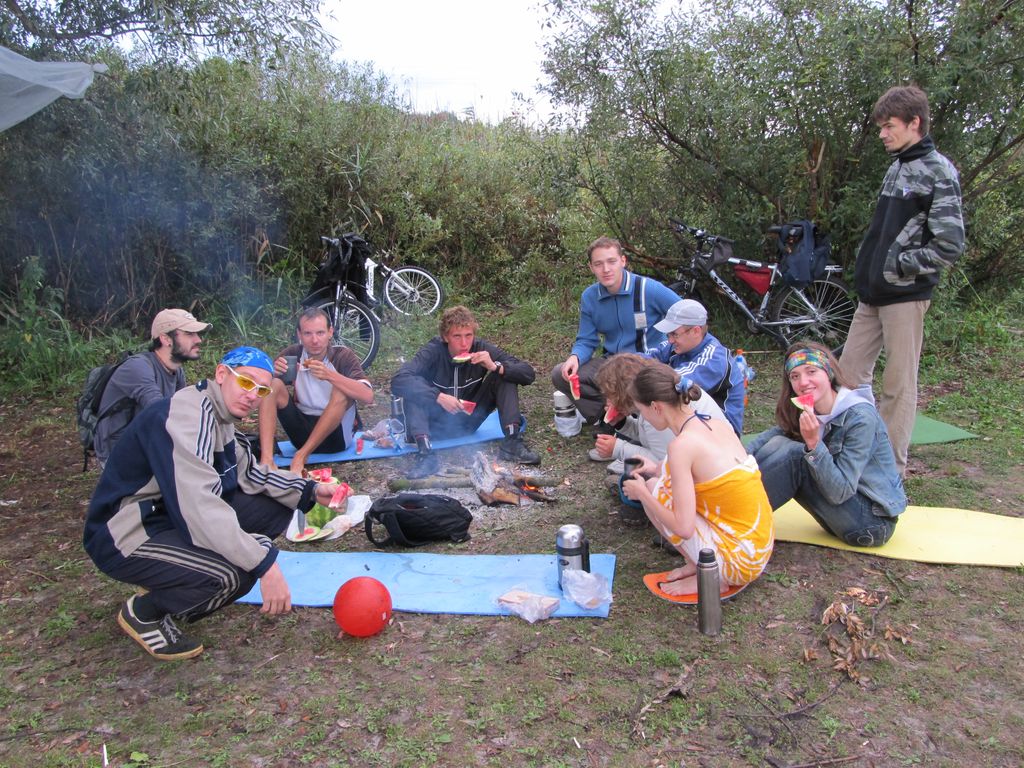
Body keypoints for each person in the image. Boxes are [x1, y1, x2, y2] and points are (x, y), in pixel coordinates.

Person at [84, 347, 338, 661]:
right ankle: (144, 612)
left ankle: (177, 576)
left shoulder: (220, 414)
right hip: (127, 532)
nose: (252, 396)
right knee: (234, 575)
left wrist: (310, 490)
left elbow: (249, 474)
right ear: (221, 374)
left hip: (169, 516)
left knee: (275, 508)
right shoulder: (189, 417)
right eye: (246, 382)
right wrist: (263, 563)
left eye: (261, 390)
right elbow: (199, 509)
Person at [839, 85, 965, 477]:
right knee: (845, 377)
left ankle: (889, 472)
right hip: (872, 295)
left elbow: (950, 244)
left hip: (905, 297)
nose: (882, 134)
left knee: (898, 386)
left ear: (915, 123)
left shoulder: (939, 171)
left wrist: (899, 266)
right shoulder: (897, 166)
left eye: (889, 126)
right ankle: (852, 453)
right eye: (880, 127)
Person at [621, 363, 773, 596]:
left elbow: (683, 527)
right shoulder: (713, 424)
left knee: (652, 490)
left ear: (656, 407)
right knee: (655, 484)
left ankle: (712, 578)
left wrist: (641, 494)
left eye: (642, 412)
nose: (644, 419)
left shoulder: (681, 446)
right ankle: (697, 565)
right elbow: (707, 470)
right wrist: (655, 468)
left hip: (739, 563)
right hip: (757, 549)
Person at [747, 343, 907, 547]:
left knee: (797, 456)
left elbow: (841, 492)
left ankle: (739, 522)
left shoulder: (860, 418)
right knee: (779, 442)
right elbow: (771, 437)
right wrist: (736, 458)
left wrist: (814, 444)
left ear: (829, 372)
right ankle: (730, 509)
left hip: (871, 523)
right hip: (840, 515)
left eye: (811, 371)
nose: (803, 382)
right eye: (795, 376)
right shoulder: (808, 407)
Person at [391, 305, 539, 477]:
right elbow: (398, 380)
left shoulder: (480, 348)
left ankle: (512, 443)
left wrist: (494, 366)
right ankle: (426, 455)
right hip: (433, 426)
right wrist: (438, 396)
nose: (464, 344)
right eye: (457, 336)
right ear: (445, 337)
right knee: (414, 387)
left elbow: (528, 373)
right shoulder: (433, 351)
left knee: (503, 375)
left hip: (468, 422)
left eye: (468, 335)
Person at [551, 236, 680, 426]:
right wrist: (575, 357)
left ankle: (634, 418)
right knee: (560, 374)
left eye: (611, 261)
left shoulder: (648, 289)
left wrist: (676, 345)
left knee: (632, 383)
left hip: (647, 363)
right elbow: (586, 340)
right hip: (611, 362)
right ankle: (609, 419)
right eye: (598, 264)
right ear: (591, 267)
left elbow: (686, 313)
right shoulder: (590, 297)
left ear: (623, 261)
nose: (606, 269)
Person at [258, 308, 374, 475]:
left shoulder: (342, 356)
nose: (314, 340)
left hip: (336, 438)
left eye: (320, 333)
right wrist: (272, 373)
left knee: (342, 392)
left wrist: (330, 375)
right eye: (308, 334)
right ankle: (266, 461)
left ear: (330, 332)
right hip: (300, 433)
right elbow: (257, 392)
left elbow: (368, 396)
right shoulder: (293, 355)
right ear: (299, 334)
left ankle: (301, 456)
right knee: (273, 385)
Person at [93, 308, 211, 467]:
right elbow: (160, 412)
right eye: (189, 334)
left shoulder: (176, 370)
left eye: (197, 334)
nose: (198, 340)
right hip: (120, 453)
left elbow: (181, 410)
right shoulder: (138, 367)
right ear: (166, 339)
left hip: (148, 442)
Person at [591, 352, 727, 475]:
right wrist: (622, 424)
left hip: (709, 474)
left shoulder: (661, 409)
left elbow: (663, 461)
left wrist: (618, 448)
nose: (608, 400)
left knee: (638, 481)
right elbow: (650, 437)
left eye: (610, 395)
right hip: (715, 464)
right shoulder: (657, 398)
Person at [643, 298, 746, 435]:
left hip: (722, 434)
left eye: (674, 334)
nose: (670, 340)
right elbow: (645, 358)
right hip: (695, 422)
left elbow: (672, 384)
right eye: (668, 334)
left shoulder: (715, 359)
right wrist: (625, 365)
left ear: (696, 331)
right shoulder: (679, 345)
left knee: (659, 403)